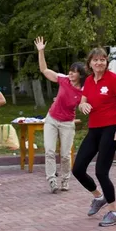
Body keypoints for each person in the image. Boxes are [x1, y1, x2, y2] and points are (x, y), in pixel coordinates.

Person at [72, 47, 116, 227]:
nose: (99, 63)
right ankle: (98, 197)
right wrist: (83, 106)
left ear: (106, 61)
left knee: (101, 171)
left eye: (102, 60)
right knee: (78, 169)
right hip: (94, 129)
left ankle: (113, 212)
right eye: (95, 60)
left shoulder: (114, 79)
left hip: (110, 128)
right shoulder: (88, 80)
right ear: (90, 63)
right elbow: (83, 100)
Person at [34, 36, 87, 193]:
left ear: (81, 75)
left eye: (74, 72)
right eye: (70, 71)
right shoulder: (63, 80)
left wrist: (85, 105)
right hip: (52, 119)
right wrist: (41, 51)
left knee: (65, 155)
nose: (70, 74)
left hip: (67, 123)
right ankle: (51, 180)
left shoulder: (83, 90)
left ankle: (65, 180)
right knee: (49, 151)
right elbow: (44, 70)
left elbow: (88, 102)